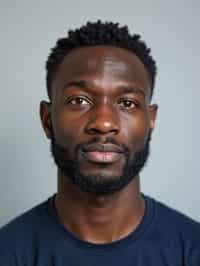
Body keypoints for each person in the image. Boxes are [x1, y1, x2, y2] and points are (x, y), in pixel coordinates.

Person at [0, 20, 200, 265]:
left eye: (127, 103)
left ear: (151, 121)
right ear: (47, 120)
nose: (104, 123)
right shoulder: (8, 252)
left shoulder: (192, 250)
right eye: (79, 101)